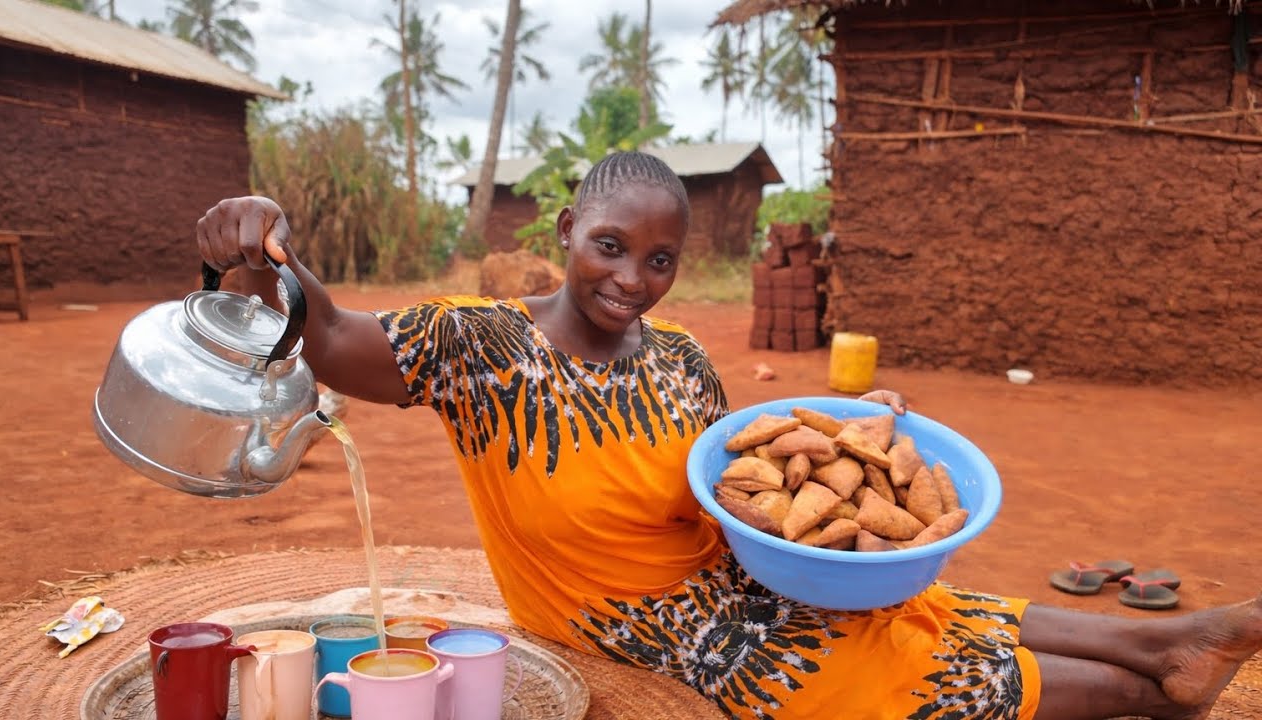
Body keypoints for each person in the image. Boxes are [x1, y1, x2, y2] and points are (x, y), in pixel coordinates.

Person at [197, 152, 1261, 720]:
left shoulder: (677, 358)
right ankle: (1150, 688)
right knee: (841, 679)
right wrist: (258, 246)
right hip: (632, 622)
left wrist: (856, 441)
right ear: (565, 233)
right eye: (609, 248)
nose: (630, 280)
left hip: (723, 574)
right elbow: (328, 338)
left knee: (911, 605)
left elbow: (739, 472)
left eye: (658, 262)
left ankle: (1167, 642)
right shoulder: (478, 346)